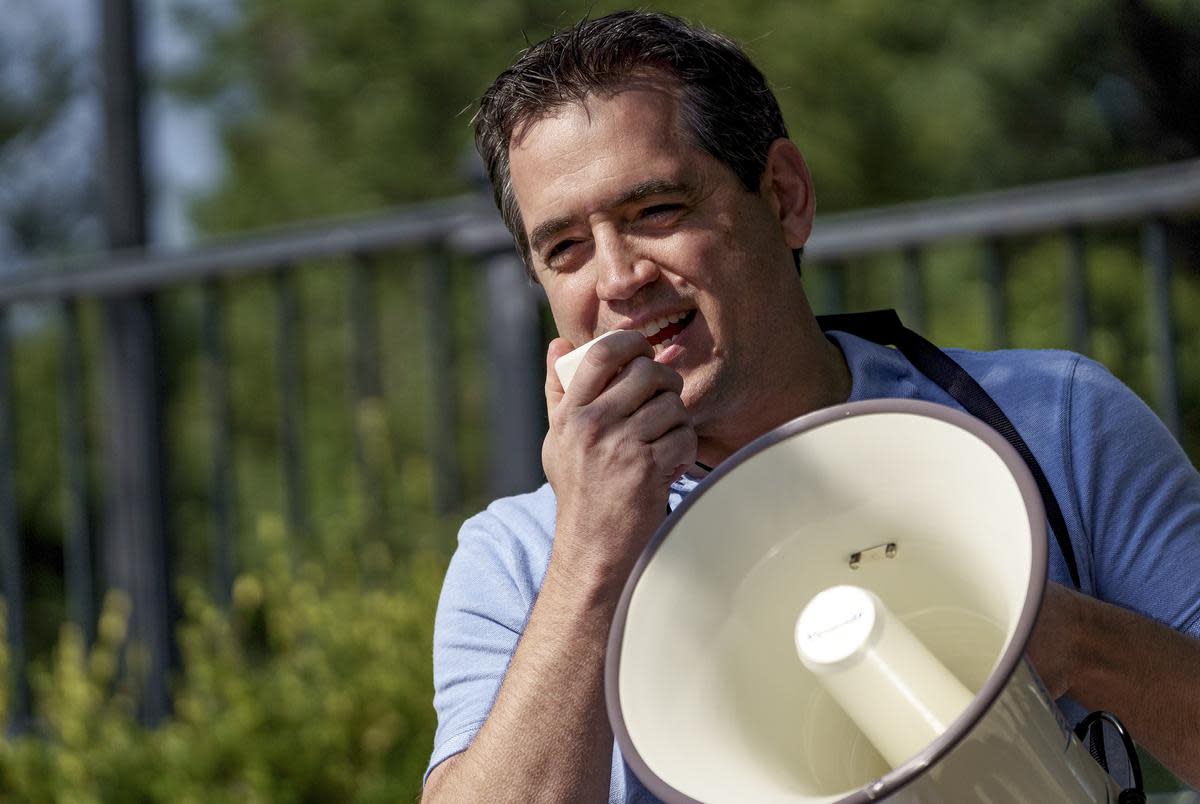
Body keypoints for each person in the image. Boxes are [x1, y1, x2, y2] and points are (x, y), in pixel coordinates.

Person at [422, 11, 1200, 802]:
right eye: (566, 249)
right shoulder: (520, 561)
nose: (618, 278)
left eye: (654, 211)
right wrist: (591, 553)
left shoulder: (1056, 423)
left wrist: (1073, 641)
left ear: (786, 196)